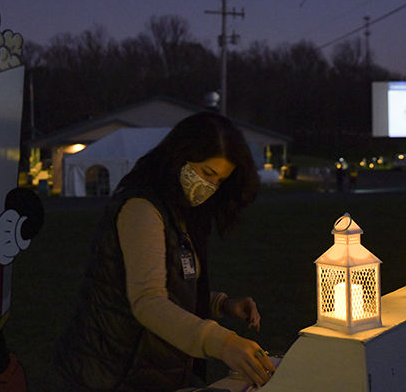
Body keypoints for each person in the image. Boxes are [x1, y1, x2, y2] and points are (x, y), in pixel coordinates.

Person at [55, 112, 276, 391]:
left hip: (149, 370)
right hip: (113, 371)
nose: (210, 187)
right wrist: (224, 342)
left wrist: (221, 305)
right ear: (180, 155)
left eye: (219, 181)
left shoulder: (180, 212)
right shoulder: (141, 209)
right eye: (208, 173)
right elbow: (148, 301)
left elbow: (169, 286)